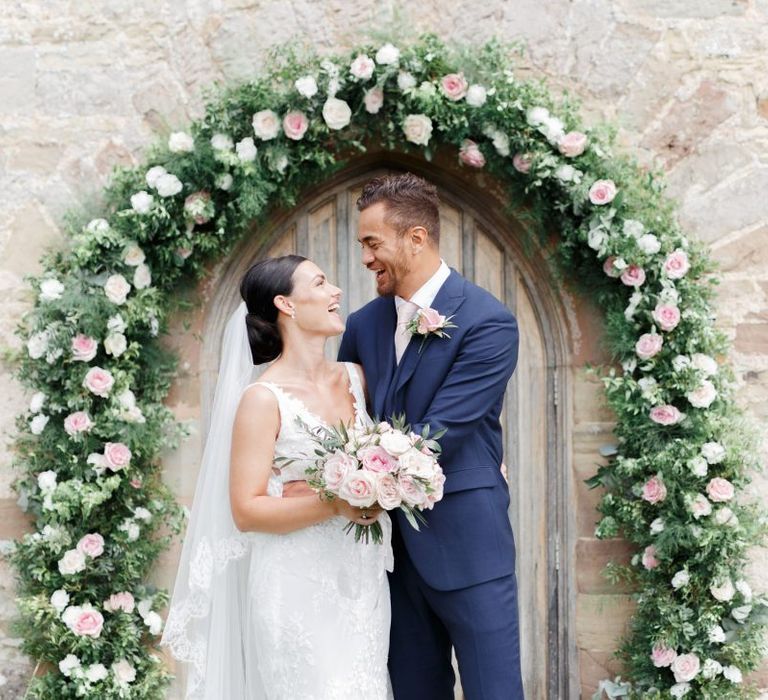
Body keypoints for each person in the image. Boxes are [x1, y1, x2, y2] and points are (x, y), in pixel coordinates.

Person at [161, 255, 393, 699]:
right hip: (295, 585)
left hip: (362, 582)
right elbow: (247, 510)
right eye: (321, 283)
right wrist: (336, 501)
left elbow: (389, 456)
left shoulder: (357, 378)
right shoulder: (262, 399)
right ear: (285, 304)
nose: (336, 292)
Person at [338, 173, 524, 699]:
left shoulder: (488, 322)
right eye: (362, 245)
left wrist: (357, 474)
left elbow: (444, 430)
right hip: (389, 555)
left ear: (415, 238)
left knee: (495, 691)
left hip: (468, 544)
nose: (366, 257)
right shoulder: (361, 325)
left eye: (373, 243)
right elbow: (347, 421)